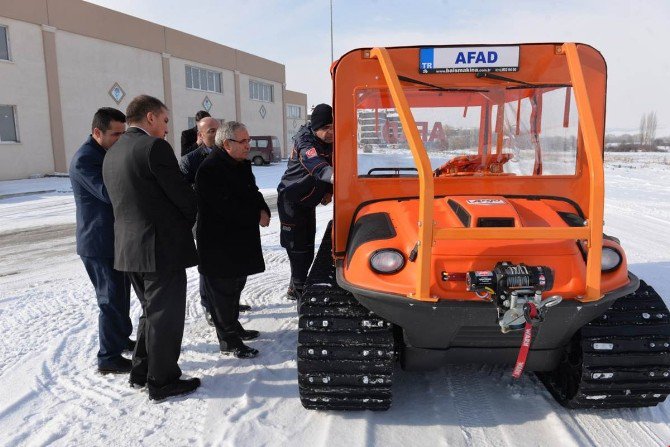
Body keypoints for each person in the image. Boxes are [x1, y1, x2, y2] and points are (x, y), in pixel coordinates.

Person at [102, 94, 200, 401]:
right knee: (165, 316)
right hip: (160, 248)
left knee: (150, 312)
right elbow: (180, 195)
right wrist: (191, 216)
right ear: (150, 118)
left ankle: (141, 370)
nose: (168, 128)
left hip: (129, 249)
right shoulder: (154, 147)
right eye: (166, 120)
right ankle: (163, 380)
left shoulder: (113, 150)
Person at [195, 121, 270, 358]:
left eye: (249, 140)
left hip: (238, 241)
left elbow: (252, 192)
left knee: (236, 287)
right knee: (222, 294)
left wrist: (263, 208)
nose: (249, 146)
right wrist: (254, 214)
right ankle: (228, 339)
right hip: (220, 245)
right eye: (244, 141)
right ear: (227, 144)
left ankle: (233, 327)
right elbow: (225, 206)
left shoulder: (239, 164)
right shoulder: (210, 169)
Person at [69, 107, 134, 374]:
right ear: (97, 132)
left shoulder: (105, 153)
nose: (120, 139)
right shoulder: (86, 159)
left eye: (123, 133)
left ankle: (120, 339)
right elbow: (109, 193)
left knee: (121, 295)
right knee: (110, 300)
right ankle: (108, 357)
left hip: (113, 241)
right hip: (98, 243)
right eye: (115, 134)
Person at [179, 117, 252, 326]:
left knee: (233, 267)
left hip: (230, 224)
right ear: (200, 136)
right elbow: (184, 194)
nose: (215, 134)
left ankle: (229, 304)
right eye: (210, 131)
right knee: (209, 269)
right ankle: (209, 307)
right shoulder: (190, 160)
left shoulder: (233, 157)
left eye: (218, 130)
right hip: (205, 222)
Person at [277, 104, 334, 300]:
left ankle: (295, 287)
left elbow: (336, 161)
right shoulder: (305, 142)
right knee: (298, 250)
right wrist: (336, 179)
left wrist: (329, 190)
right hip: (291, 201)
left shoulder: (329, 141)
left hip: (308, 202)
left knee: (308, 247)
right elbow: (317, 165)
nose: (330, 132)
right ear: (316, 126)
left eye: (333, 127)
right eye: (326, 127)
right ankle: (301, 295)